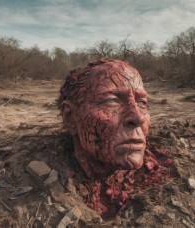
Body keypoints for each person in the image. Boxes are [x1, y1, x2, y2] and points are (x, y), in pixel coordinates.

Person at [58, 59, 172, 219]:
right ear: (70, 117)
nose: (138, 117)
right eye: (112, 100)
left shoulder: (167, 177)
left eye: (142, 102)